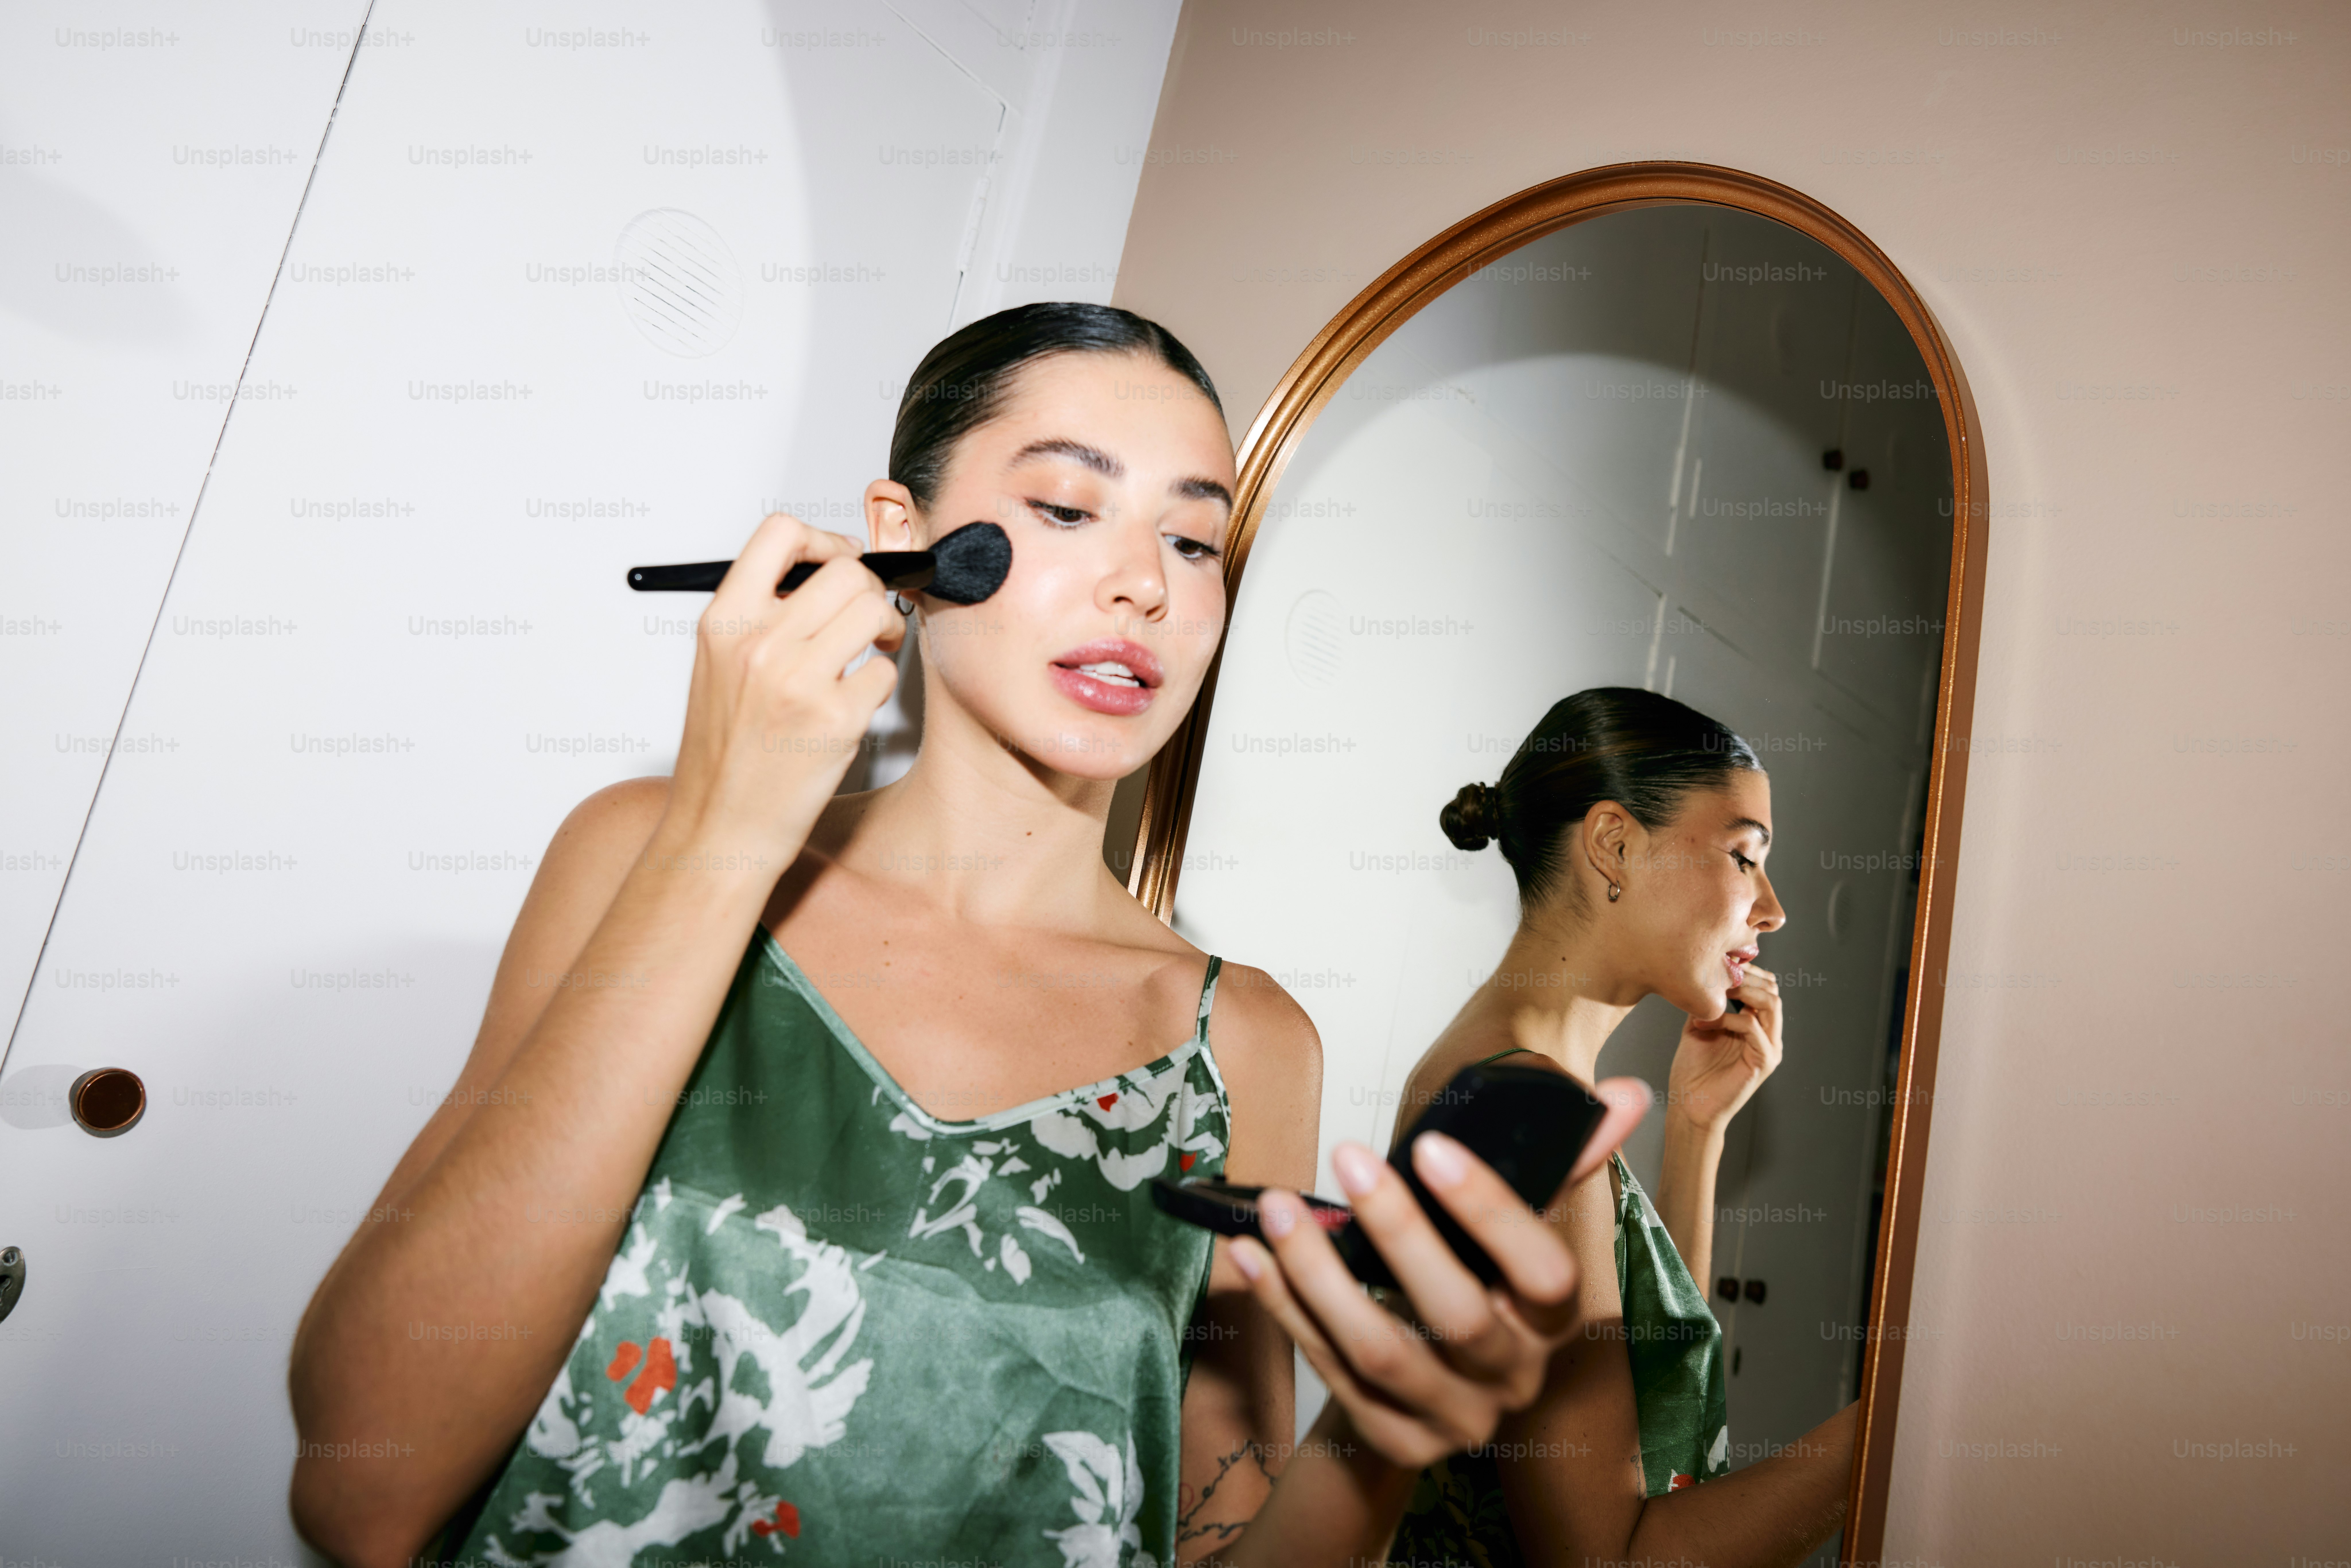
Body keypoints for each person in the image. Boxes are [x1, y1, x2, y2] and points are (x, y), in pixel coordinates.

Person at [284, 304, 1645, 1567]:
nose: (1144, 589)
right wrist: (724, 835)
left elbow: (1219, 1533)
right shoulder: (647, 847)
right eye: (1064, 506)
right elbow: (365, 1484)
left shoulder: (1240, 1045)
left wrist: (1380, 1432)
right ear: (899, 534)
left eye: (1191, 542)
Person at [1383, 687, 1856, 1567]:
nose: (1774, 909)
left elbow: (1639, 1406)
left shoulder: (1501, 1077)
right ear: (1613, 844)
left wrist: (1697, 1134)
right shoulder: (1528, 1115)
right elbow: (1610, 1556)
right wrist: (1899, 1424)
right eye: (1745, 857)